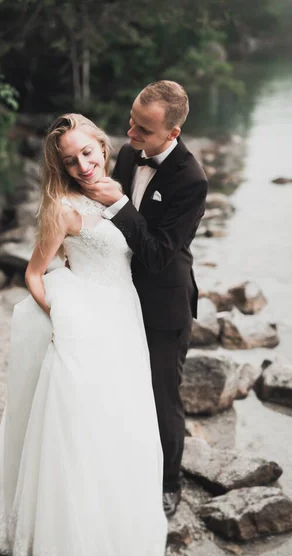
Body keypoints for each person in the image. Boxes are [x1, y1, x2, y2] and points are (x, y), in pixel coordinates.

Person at [0, 113, 167, 556]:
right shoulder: (63, 209)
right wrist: (60, 316)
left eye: (88, 153)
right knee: (81, 425)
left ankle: (119, 523)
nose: (83, 165)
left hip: (123, 321)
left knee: (125, 422)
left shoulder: (118, 188)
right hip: (86, 321)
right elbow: (35, 274)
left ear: (104, 148)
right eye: (71, 160)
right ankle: (72, 544)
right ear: (61, 166)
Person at [81, 81, 208, 518]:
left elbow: (156, 254)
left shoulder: (191, 180)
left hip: (163, 303)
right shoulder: (130, 152)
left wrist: (119, 206)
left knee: (162, 395)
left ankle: (170, 482)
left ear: (171, 134)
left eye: (143, 129)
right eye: (132, 120)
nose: (130, 133)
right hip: (115, 292)